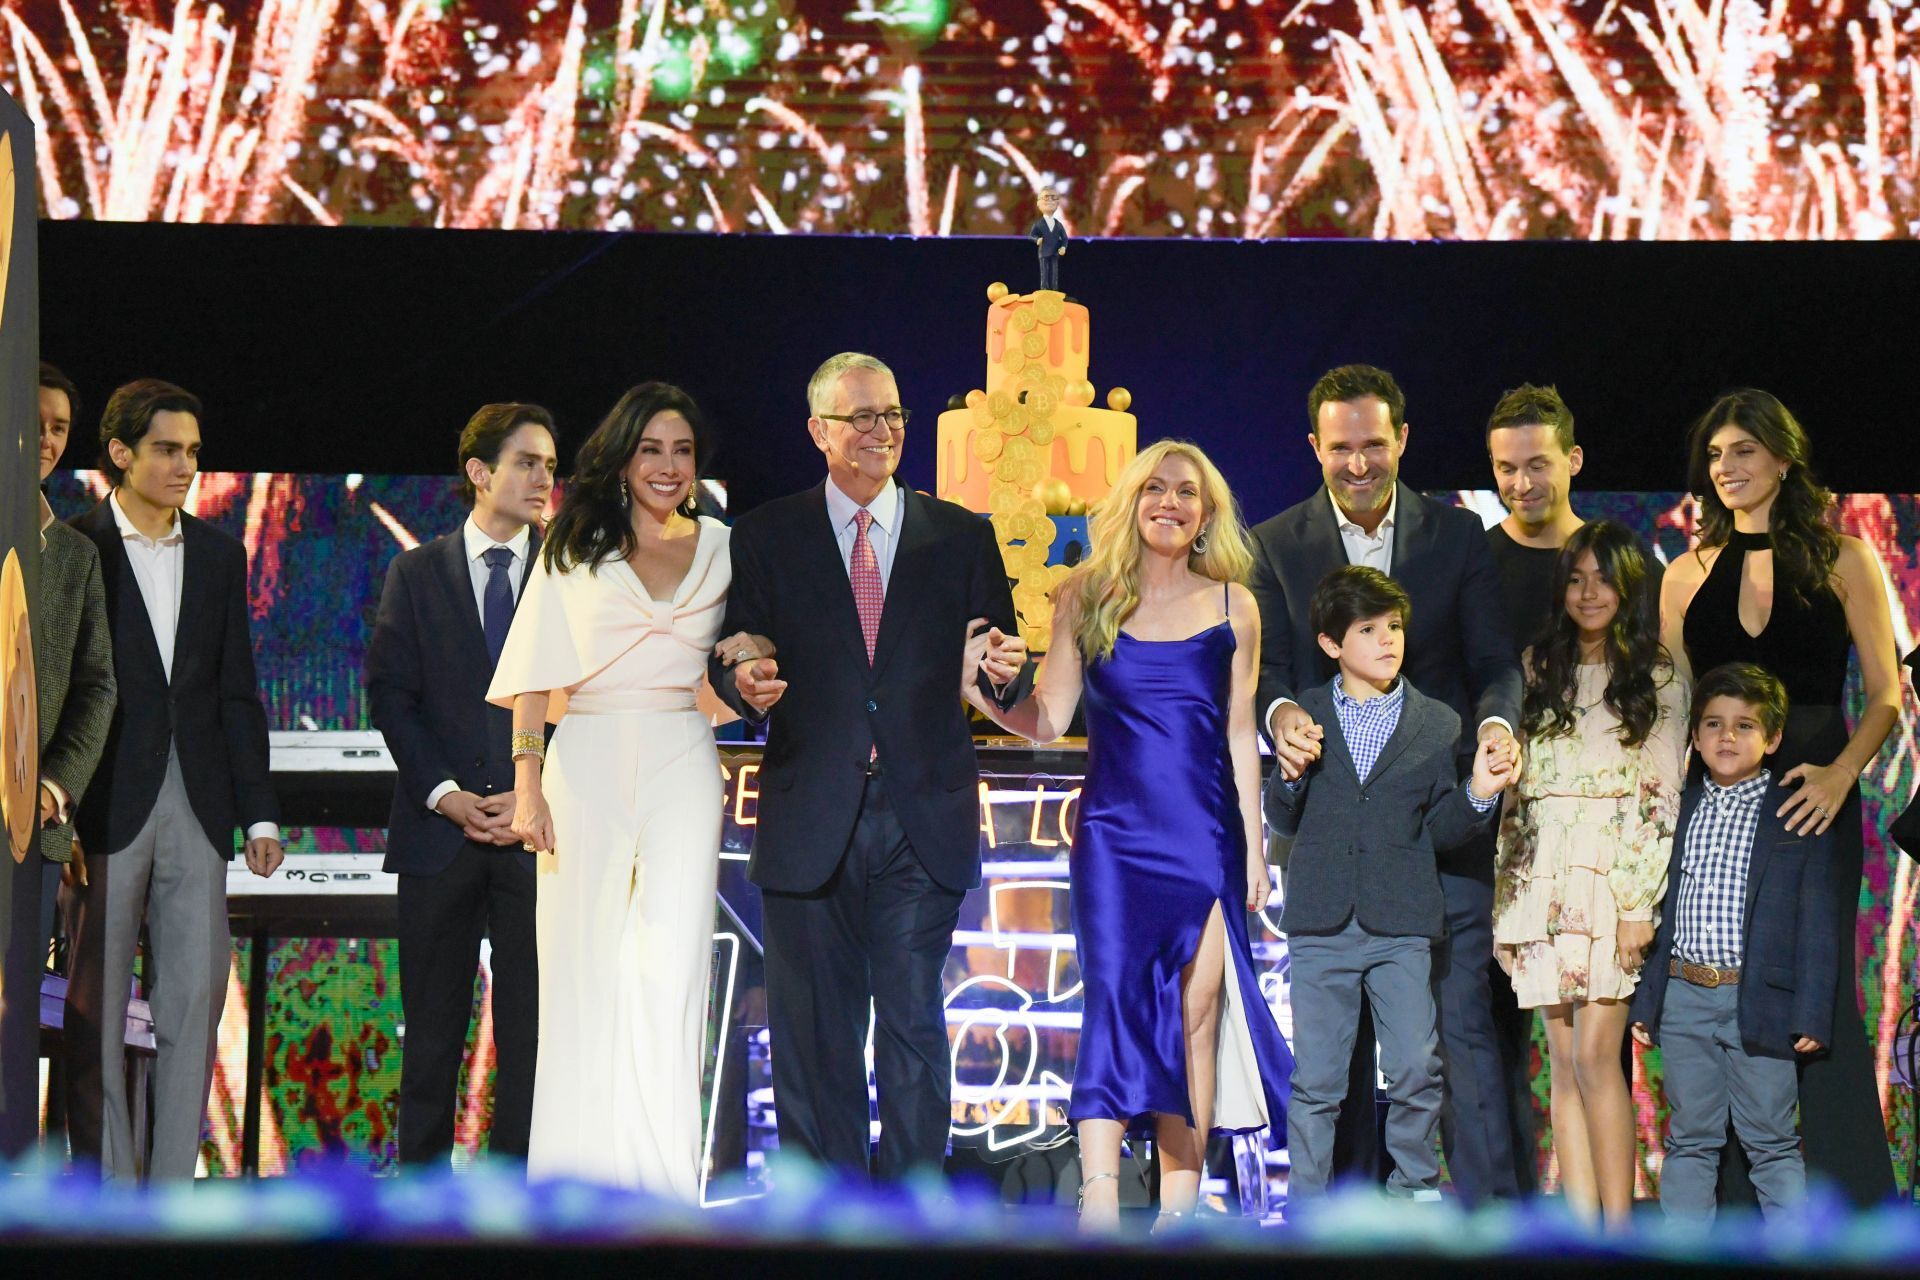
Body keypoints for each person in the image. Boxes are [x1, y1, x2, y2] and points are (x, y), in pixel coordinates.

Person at [706, 352, 1025, 1182]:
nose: (883, 431)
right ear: (819, 431)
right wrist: (744, 679)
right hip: (812, 813)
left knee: (913, 1020)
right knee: (817, 1033)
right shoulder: (768, 535)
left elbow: (1003, 662)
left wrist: (1004, 668)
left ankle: (917, 1210)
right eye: (862, 418)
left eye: (893, 415)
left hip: (923, 816)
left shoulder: (961, 535)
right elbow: (734, 647)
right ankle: (828, 1214)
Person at [961, 439, 1290, 1230]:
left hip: (1205, 836)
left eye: (1186, 492)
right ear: (1132, 501)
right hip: (1113, 836)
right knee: (1111, 1001)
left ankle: (1180, 1209)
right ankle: (1100, 1196)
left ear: (1207, 514)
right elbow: (1049, 719)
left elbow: (1241, 735)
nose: (1169, 503)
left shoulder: (1235, 606)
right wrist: (983, 696)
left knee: (1196, 1015)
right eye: (1155, 489)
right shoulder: (1085, 594)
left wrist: (1254, 847)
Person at [1248, 364, 1523, 1203]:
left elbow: (1493, 661)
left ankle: (1477, 1222)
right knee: (1333, 1056)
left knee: (1453, 1033)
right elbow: (1268, 672)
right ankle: (1338, 1220)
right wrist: (1281, 719)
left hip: (1442, 820)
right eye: (1341, 448)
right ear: (1314, 447)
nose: (1359, 463)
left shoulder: (1459, 536)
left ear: (1402, 438)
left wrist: (1495, 728)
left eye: (1374, 444)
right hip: (1332, 830)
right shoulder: (1274, 543)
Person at [494, 383, 751, 1196]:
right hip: (587, 757)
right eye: (651, 450)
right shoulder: (574, 546)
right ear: (623, 457)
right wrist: (527, 785)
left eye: (682, 451)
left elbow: (746, 649)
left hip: (683, 754)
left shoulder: (724, 547)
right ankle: (569, 1188)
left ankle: (664, 1192)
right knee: (580, 972)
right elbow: (532, 676)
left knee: (670, 974)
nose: (668, 466)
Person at [1659, 389, 1898, 1206]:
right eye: (1715, 455)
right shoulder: (1685, 574)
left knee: (1817, 993)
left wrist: (1840, 774)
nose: (1726, 468)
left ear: (1784, 459)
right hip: (1718, 803)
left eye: (1743, 451)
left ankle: (1847, 1206)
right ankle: (1730, 1213)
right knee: (1726, 991)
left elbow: (1885, 695)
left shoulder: (1846, 558)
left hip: (1814, 801)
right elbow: (1674, 710)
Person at [64, 379, 283, 1182]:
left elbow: (236, 694)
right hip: (102, 805)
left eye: (192, 451)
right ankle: (108, 1192)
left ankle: (168, 1196)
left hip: (198, 802)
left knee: (193, 1002)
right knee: (94, 1009)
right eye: (166, 449)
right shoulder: (77, 549)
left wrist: (260, 816)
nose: (185, 465)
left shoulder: (221, 555)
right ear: (120, 454)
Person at [1267, 566, 1512, 1203]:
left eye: (1394, 627)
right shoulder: (1305, 715)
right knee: (1318, 1080)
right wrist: (1289, 776)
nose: (1387, 641)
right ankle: (1307, 1208)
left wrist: (1478, 793)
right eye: (1368, 629)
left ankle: (1414, 1192)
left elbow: (1438, 828)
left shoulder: (1437, 723)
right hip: (1322, 921)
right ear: (1331, 644)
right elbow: (1282, 817)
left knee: (1414, 1068)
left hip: (1402, 921)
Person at [366, 403, 557, 1168]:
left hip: (537, 837)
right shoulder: (414, 573)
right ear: (480, 472)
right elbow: (391, 696)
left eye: (550, 465)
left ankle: (518, 1195)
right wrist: (444, 793)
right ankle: (421, 1198)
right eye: (527, 463)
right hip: (438, 836)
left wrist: (534, 789)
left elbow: (586, 700)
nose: (543, 479)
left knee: (532, 1034)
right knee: (432, 1035)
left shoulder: (570, 575)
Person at [1493, 522, 1686, 1228]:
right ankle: (1582, 1233)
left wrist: (1637, 905)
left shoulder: (1658, 675)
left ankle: (1619, 1230)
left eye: (1603, 579)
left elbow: (1659, 799)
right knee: (1564, 1059)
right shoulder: (1538, 666)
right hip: (1540, 877)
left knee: (1599, 1059)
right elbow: (1516, 796)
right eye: (1576, 580)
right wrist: (1506, 903)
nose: (1588, 593)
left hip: (1611, 881)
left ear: (1628, 587)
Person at [1629, 663, 1836, 1222]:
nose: (1727, 736)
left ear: (1772, 739)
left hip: (1760, 1002)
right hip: (1684, 995)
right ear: (1695, 737)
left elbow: (1818, 920)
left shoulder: (1796, 810)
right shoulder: (1676, 806)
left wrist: (1812, 1012)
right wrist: (1648, 1000)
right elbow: (1657, 907)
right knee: (1690, 1138)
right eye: (1714, 724)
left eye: (1745, 726)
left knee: (1772, 1141)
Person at [33, 364, 116, 965]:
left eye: (59, 427)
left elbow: (97, 686)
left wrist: (51, 789)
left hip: (34, 828)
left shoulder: (75, 554)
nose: (46, 439)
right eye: (32, 421)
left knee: (13, 1005)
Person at [1028, 188, 1069, 292]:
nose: (1050, 200)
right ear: (1039, 203)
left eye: (1053, 198)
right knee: (1044, 272)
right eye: (1046, 198)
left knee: (1054, 272)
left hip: (1055, 252)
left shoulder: (1058, 224)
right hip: (1044, 252)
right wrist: (1037, 239)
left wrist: (1063, 247)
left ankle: (1054, 289)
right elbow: (1031, 235)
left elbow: (1064, 238)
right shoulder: (1038, 224)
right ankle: (1044, 289)